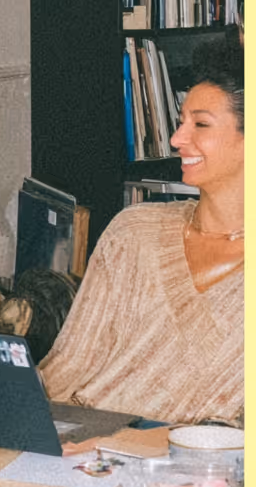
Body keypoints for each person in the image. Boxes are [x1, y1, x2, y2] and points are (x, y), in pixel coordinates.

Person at [39, 29, 243, 424]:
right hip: (80, 439)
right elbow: (64, 369)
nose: (177, 138)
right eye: (180, 121)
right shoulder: (133, 232)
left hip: (190, 458)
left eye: (200, 125)